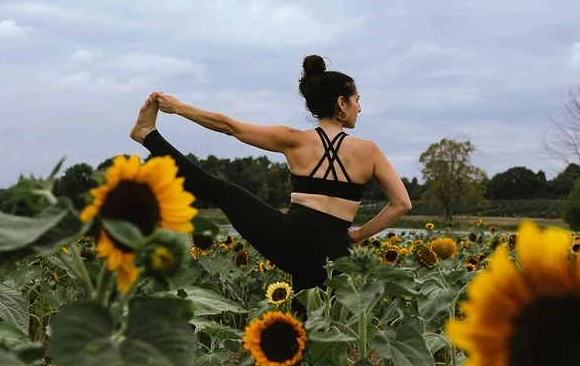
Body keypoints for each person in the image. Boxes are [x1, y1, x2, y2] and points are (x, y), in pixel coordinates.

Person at [129, 54, 412, 305]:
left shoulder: (294, 140)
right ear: (342, 103)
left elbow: (230, 127)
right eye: (357, 100)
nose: (359, 108)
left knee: (220, 190)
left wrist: (179, 107)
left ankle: (148, 135)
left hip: (289, 241)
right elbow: (401, 204)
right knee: (316, 324)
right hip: (335, 250)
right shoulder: (370, 151)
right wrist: (358, 235)